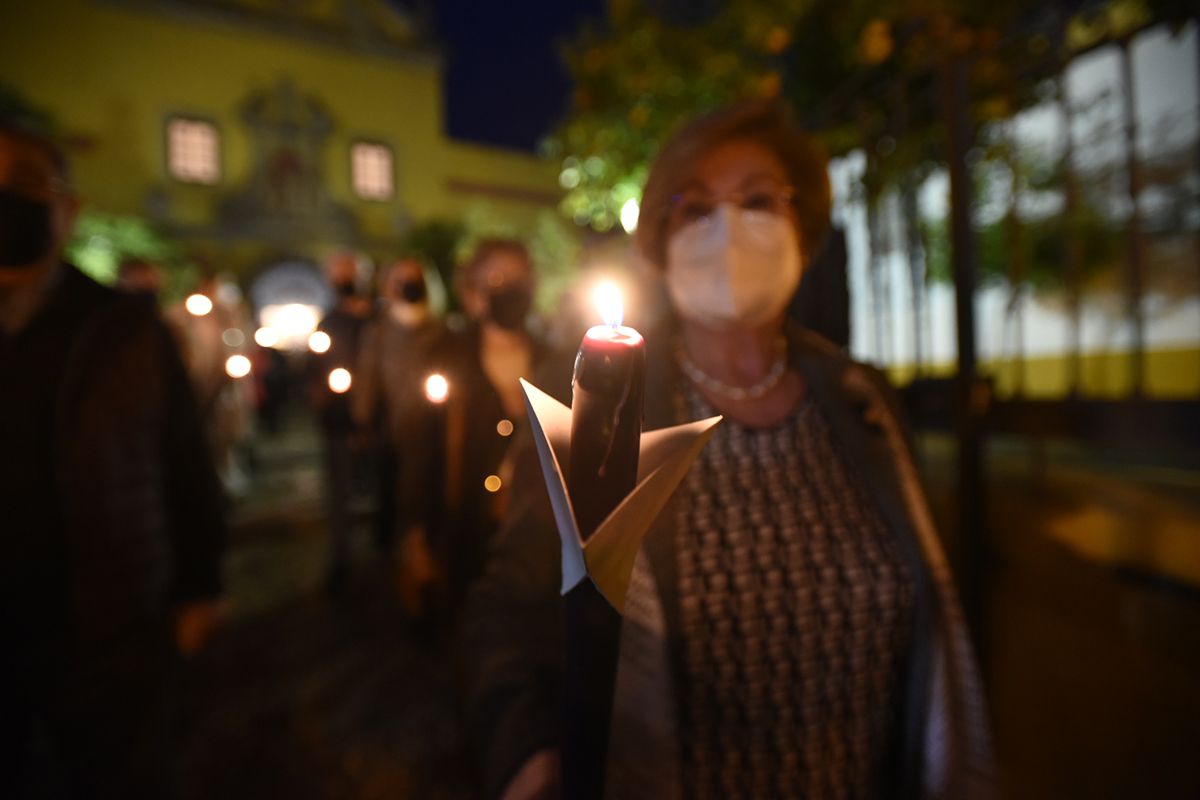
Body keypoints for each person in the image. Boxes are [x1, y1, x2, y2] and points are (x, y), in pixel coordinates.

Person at [462, 102, 994, 800]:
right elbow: (506, 609)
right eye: (695, 206)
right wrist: (528, 756)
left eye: (757, 199)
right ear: (658, 243)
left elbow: (938, 616)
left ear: (802, 228)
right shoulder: (605, 411)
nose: (730, 228)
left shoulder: (862, 399)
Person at [0, 120, 226, 797]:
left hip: (109, 624)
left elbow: (185, 460)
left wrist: (199, 583)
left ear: (67, 208)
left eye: (23, 185)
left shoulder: (123, 327)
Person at [403, 239, 549, 629]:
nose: (511, 288)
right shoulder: (445, 358)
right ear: (472, 294)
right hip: (465, 531)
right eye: (498, 278)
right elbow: (421, 448)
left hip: (540, 539)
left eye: (519, 277)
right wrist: (417, 531)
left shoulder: (557, 359)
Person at [352, 257, 446, 555]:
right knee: (390, 497)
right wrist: (363, 420)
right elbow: (367, 377)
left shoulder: (439, 329)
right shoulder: (379, 331)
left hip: (430, 428)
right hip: (390, 430)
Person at [310, 250, 372, 594]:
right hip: (338, 421)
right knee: (339, 492)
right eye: (337, 275)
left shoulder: (376, 318)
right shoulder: (328, 321)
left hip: (377, 420)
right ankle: (341, 559)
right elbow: (315, 367)